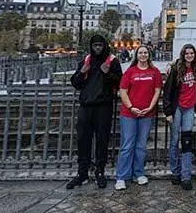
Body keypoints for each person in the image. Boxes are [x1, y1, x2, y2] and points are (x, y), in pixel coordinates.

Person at [67, 34, 122, 189]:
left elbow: (120, 82)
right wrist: (81, 72)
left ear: (104, 46)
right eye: (95, 45)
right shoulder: (86, 61)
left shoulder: (112, 61)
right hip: (86, 105)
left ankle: (100, 171)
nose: (97, 48)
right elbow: (75, 83)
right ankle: (82, 172)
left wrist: (108, 73)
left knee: (102, 140)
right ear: (91, 46)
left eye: (100, 45)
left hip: (103, 106)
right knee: (83, 140)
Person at [114, 45, 162, 190]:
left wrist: (150, 107)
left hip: (147, 113)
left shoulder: (155, 71)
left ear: (149, 55)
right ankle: (122, 176)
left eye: (145, 52)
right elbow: (123, 91)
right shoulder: (130, 71)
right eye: (140, 53)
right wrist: (131, 107)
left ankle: (138, 173)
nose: (143, 55)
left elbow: (157, 91)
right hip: (129, 114)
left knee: (141, 146)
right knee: (127, 145)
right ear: (136, 55)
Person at [163, 44, 196, 191]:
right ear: (182, 54)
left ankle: (186, 175)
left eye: (192, 53)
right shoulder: (175, 69)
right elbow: (167, 91)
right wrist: (167, 112)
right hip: (177, 108)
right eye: (187, 53)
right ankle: (176, 171)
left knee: (186, 141)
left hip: (189, 108)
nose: (189, 55)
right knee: (174, 140)